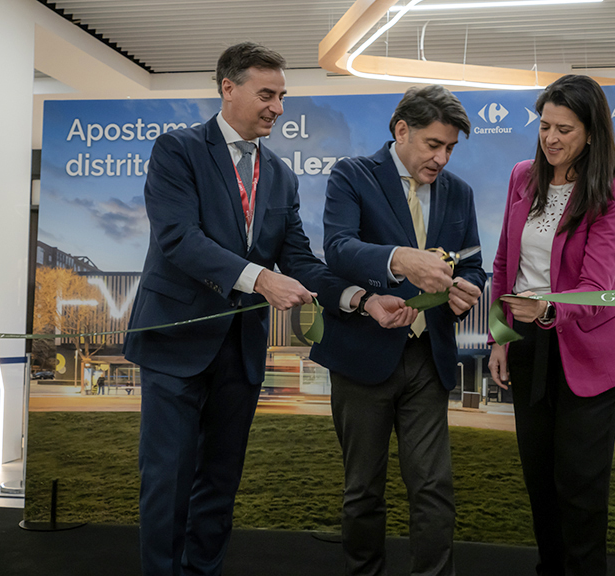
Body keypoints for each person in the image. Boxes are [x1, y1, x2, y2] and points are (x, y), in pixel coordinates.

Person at [123, 42, 409, 576]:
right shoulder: (177, 150)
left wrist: (363, 299)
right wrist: (261, 279)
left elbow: (300, 260)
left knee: (220, 482)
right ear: (228, 89)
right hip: (175, 345)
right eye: (267, 94)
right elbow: (179, 238)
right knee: (168, 479)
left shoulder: (279, 174)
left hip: (240, 351)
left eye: (282, 96)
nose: (278, 107)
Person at [310, 85, 486, 576]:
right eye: (433, 144)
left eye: (450, 148)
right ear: (401, 130)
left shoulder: (460, 193)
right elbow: (340, 248)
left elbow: (473, 266)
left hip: (429, 358)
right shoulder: (351, 175)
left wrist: (467, 287)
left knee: (433, 487)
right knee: (363, 488)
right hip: (362, 357)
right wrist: (399, 260)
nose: (442, 158)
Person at [487, 74, 615, 576]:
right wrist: (500, 337)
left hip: (590, 351)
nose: (550, 138)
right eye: (545, 126)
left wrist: (550, 309)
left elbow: (597, 286)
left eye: (565, 129)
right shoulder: (521, 176)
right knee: (540, 478)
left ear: (592, 133)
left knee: (579, 484)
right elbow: (504, 264)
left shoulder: (611, 192)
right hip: (528, 342)